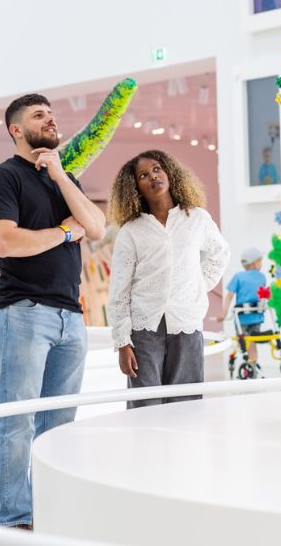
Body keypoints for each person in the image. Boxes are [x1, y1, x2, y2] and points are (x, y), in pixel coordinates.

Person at [0, 93, 106, 530]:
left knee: (60, 421)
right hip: (24, 310)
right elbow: (7, 242)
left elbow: (96, 227)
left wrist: (59, 174)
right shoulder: (3, 178)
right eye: (39, 116)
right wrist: (64, 233)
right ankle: (15, 516)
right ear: (16, 129)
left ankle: (50, 506)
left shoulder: (63, 177)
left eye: (51, 114)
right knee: (17, 419)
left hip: (71, 314)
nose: (50, 120)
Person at [107, 150, 229, 409]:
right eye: (143, 175)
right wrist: (122, 342)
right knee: (145, 404)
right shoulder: (131, 231)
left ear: (169, 172)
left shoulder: (197, 218)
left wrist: (196, 286)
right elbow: (119, 290)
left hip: (186, 324)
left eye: (156, 169)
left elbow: (220, 254)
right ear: (135, 188)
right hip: (144, 330)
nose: (153, 176)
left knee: (186, 404)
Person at [222, 248, 269, 362]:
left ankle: (242, 359)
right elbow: (265, 295)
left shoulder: (238, 276)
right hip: (257, 317)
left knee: (243, 341)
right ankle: (253, 363)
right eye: (260, 261)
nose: (261, 264)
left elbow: (229, 296)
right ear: (254, 262)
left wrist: (223, 315)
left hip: (242, 319)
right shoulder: (262, 277)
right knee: (252, 342)